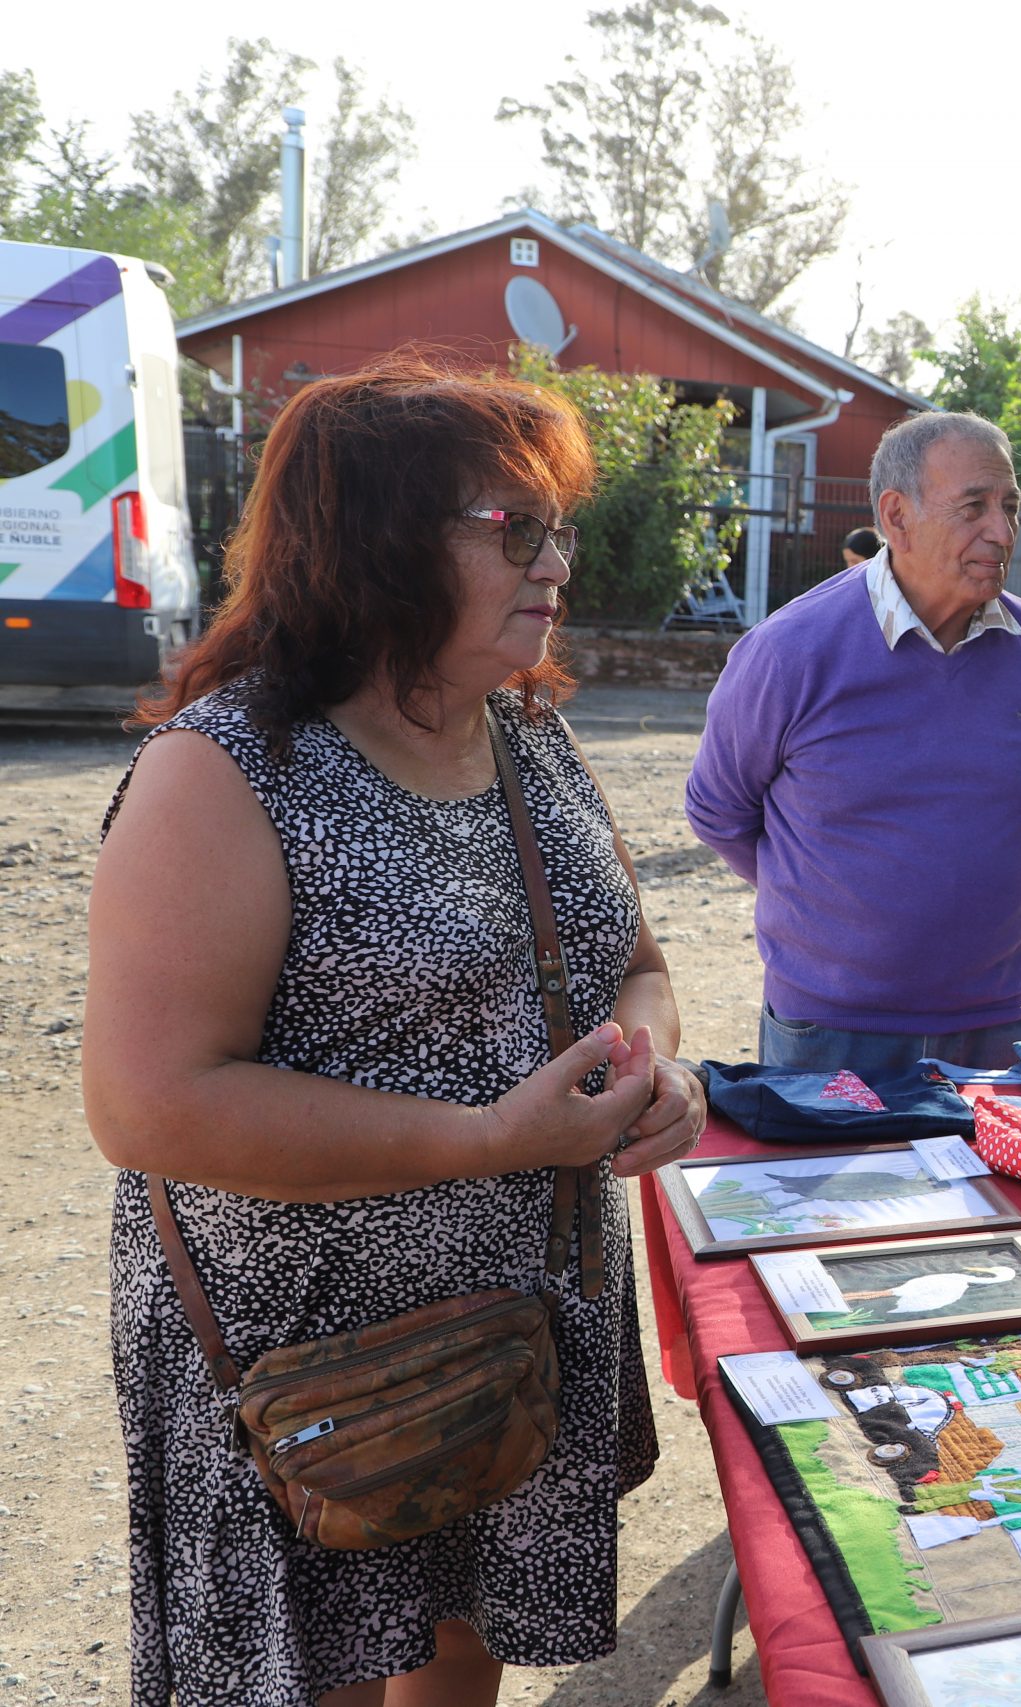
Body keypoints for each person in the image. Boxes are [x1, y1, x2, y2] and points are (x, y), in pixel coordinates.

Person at [84, 354, 708, 1707]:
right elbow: (149, 1104)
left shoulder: (527, 737)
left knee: (463, 1647)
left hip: (512, 1340)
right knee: (327, 1672)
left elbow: (636, 966)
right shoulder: (227, 769)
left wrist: (654, 1066)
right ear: (373, 539)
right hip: (315, 1370)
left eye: (559, 529)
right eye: (514, 528)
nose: (557, 565)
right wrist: (488, 1138)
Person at [687, 412, 1021, 1074]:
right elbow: (718, 810)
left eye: (1010, 507)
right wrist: (827, 911)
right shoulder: (791, 651)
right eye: (974, 507)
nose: (1002, 531)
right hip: (831, 1029)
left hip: (999, 1024)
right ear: (897, 517)